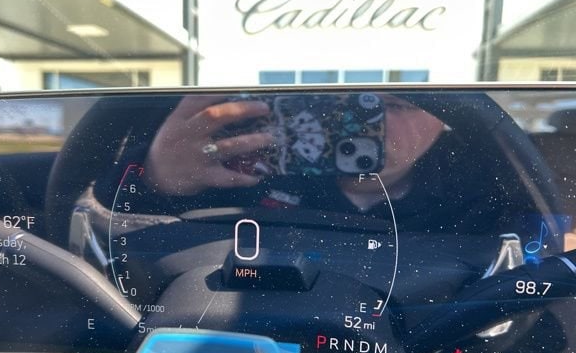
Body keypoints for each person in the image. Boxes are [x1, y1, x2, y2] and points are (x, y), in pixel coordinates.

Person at [141, 92, 534, 235]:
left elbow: (526, 312)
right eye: (338, 104)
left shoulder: (487, 188)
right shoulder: (242, 166)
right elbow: (136, 247)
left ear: (445, 118)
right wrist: (159, 178)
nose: (366, 124)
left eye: (400, 104)